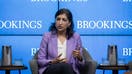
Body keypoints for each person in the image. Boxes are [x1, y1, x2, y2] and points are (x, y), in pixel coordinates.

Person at [37, 8, 85, 74]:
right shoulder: (47, 36)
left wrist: (80, 58)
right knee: (63, 66)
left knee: (65, 66)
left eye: (64, 20)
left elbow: (81, 66)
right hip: (51, 68)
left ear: (69, 23)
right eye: (58, 19)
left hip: (69, 69)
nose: (60, 23)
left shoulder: (76, 37)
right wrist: (52, 61)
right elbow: (40, 60)